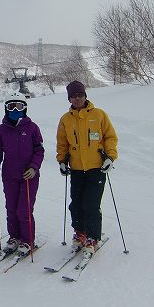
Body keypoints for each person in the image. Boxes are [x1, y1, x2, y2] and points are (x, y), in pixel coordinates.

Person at [56, 80, 118, 255]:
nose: (77, 98)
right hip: (76, 169)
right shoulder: (65, 119)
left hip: (96, 168)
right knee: (76, 204)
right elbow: (62, 143)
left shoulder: (99, 115)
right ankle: (80, 233)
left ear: (85, 96)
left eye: (80, 95)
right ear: (69, 99)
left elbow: (110, 137)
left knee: (91, 204)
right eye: (73, 96)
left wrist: (110, 157)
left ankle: (92, 237)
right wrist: (62, 161)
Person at [0, 94, 44, 255]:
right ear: (6, 109)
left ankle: (27, 240)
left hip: (29, 176)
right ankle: (14, 237)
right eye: (11, 106)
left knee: (24, 209)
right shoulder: (2, 130)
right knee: (11, 208)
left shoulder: (32, 128)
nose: (14, 110)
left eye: (18, 106)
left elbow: (39, 150)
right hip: (10, 175)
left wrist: (34, 167)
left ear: (24, 108)